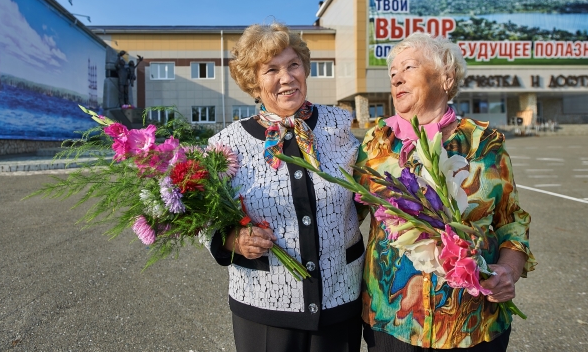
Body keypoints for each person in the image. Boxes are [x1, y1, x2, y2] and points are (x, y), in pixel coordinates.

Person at [358, 33, 536, 351]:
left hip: (474, 323)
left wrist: (509, 270)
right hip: (394, 321)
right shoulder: (376, 143)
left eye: (408, 67)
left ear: (446, 77)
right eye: (393, 72)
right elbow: (344, 212)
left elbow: (512, 221)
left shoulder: (485, 144)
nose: (396, 78)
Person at [206, 22, 364, 352]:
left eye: (293, 65)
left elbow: (367, 190)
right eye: (271, 70)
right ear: (253, 82)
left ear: (305, 69)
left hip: (340, 297)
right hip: (264, 307)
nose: (287, 77)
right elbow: (200, 215)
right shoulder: (227, 144)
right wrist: (234, 240)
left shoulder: (338, 124)